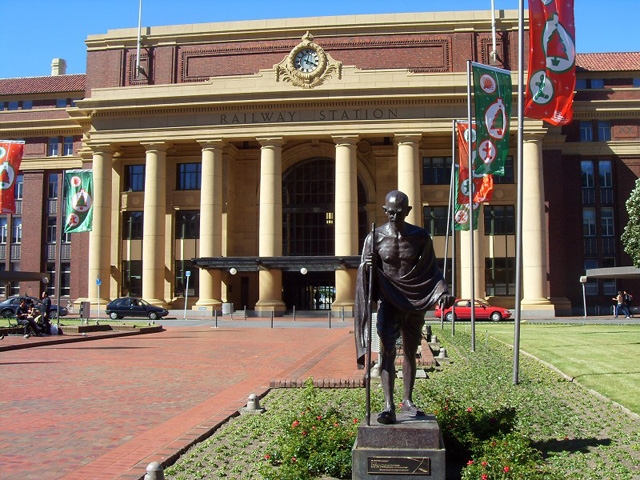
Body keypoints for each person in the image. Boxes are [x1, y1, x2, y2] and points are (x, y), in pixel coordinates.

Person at [355, 190, 455, 424]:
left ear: (408, 212)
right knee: (387, 352)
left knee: (410, 350)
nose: (393, 216)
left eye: (398, 213)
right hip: (388, 301)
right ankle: (388, 405)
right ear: (384, 211)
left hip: (414, 302)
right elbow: (366, 276)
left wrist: (443, 291)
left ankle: (407, 400)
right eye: (389, 212)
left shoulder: (419, 236)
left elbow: (432, 270)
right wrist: (367, 267)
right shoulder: (374, 237)